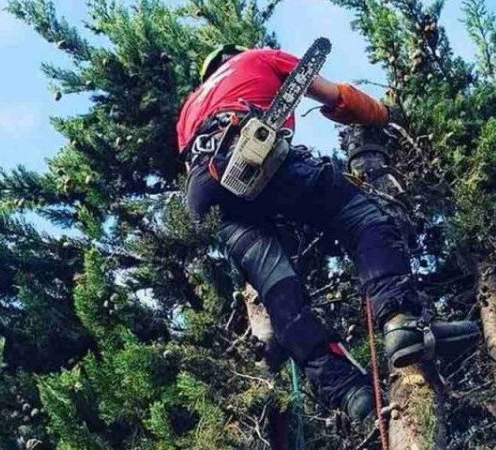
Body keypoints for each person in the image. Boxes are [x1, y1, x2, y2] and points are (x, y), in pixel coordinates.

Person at [178, 44, 480, 422]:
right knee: (360, 216)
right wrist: (380, 114)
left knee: (278, 288)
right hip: (245, 145)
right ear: (234, 55)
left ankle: (349, 391)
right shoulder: (255, 58)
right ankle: (403, 323)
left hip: (204, 192)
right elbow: (335, 96)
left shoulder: (190, 107)